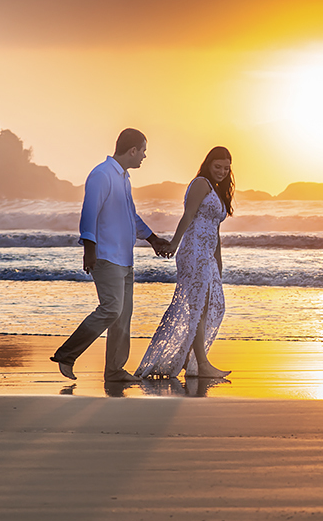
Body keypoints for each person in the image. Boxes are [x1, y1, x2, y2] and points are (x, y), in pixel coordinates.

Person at [51, 128, 168, 382]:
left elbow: (130, 216)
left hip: (124, 258)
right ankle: (67, 354)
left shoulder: (124, 178)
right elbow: (89, 213)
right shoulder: (102, 175)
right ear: (133, 150)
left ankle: (114, 370)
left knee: (123, 316)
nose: (145, 157)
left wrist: (152, 239)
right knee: (111, 309)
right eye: (144, 151)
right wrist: (89, 249)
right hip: (105, 256)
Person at [136, 146, 234, 379]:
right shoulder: (201, 183)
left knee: (212, 306)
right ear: (208, 164)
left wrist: (217, 261)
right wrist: (174, 244)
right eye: (217, 166)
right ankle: (201, 364)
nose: (221, 171)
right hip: (193, 252)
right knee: (198, 308)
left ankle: (190, 360)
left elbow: (215, 230)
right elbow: (188, 216)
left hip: (207, 256)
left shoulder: (218, 191)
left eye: (226, 168)